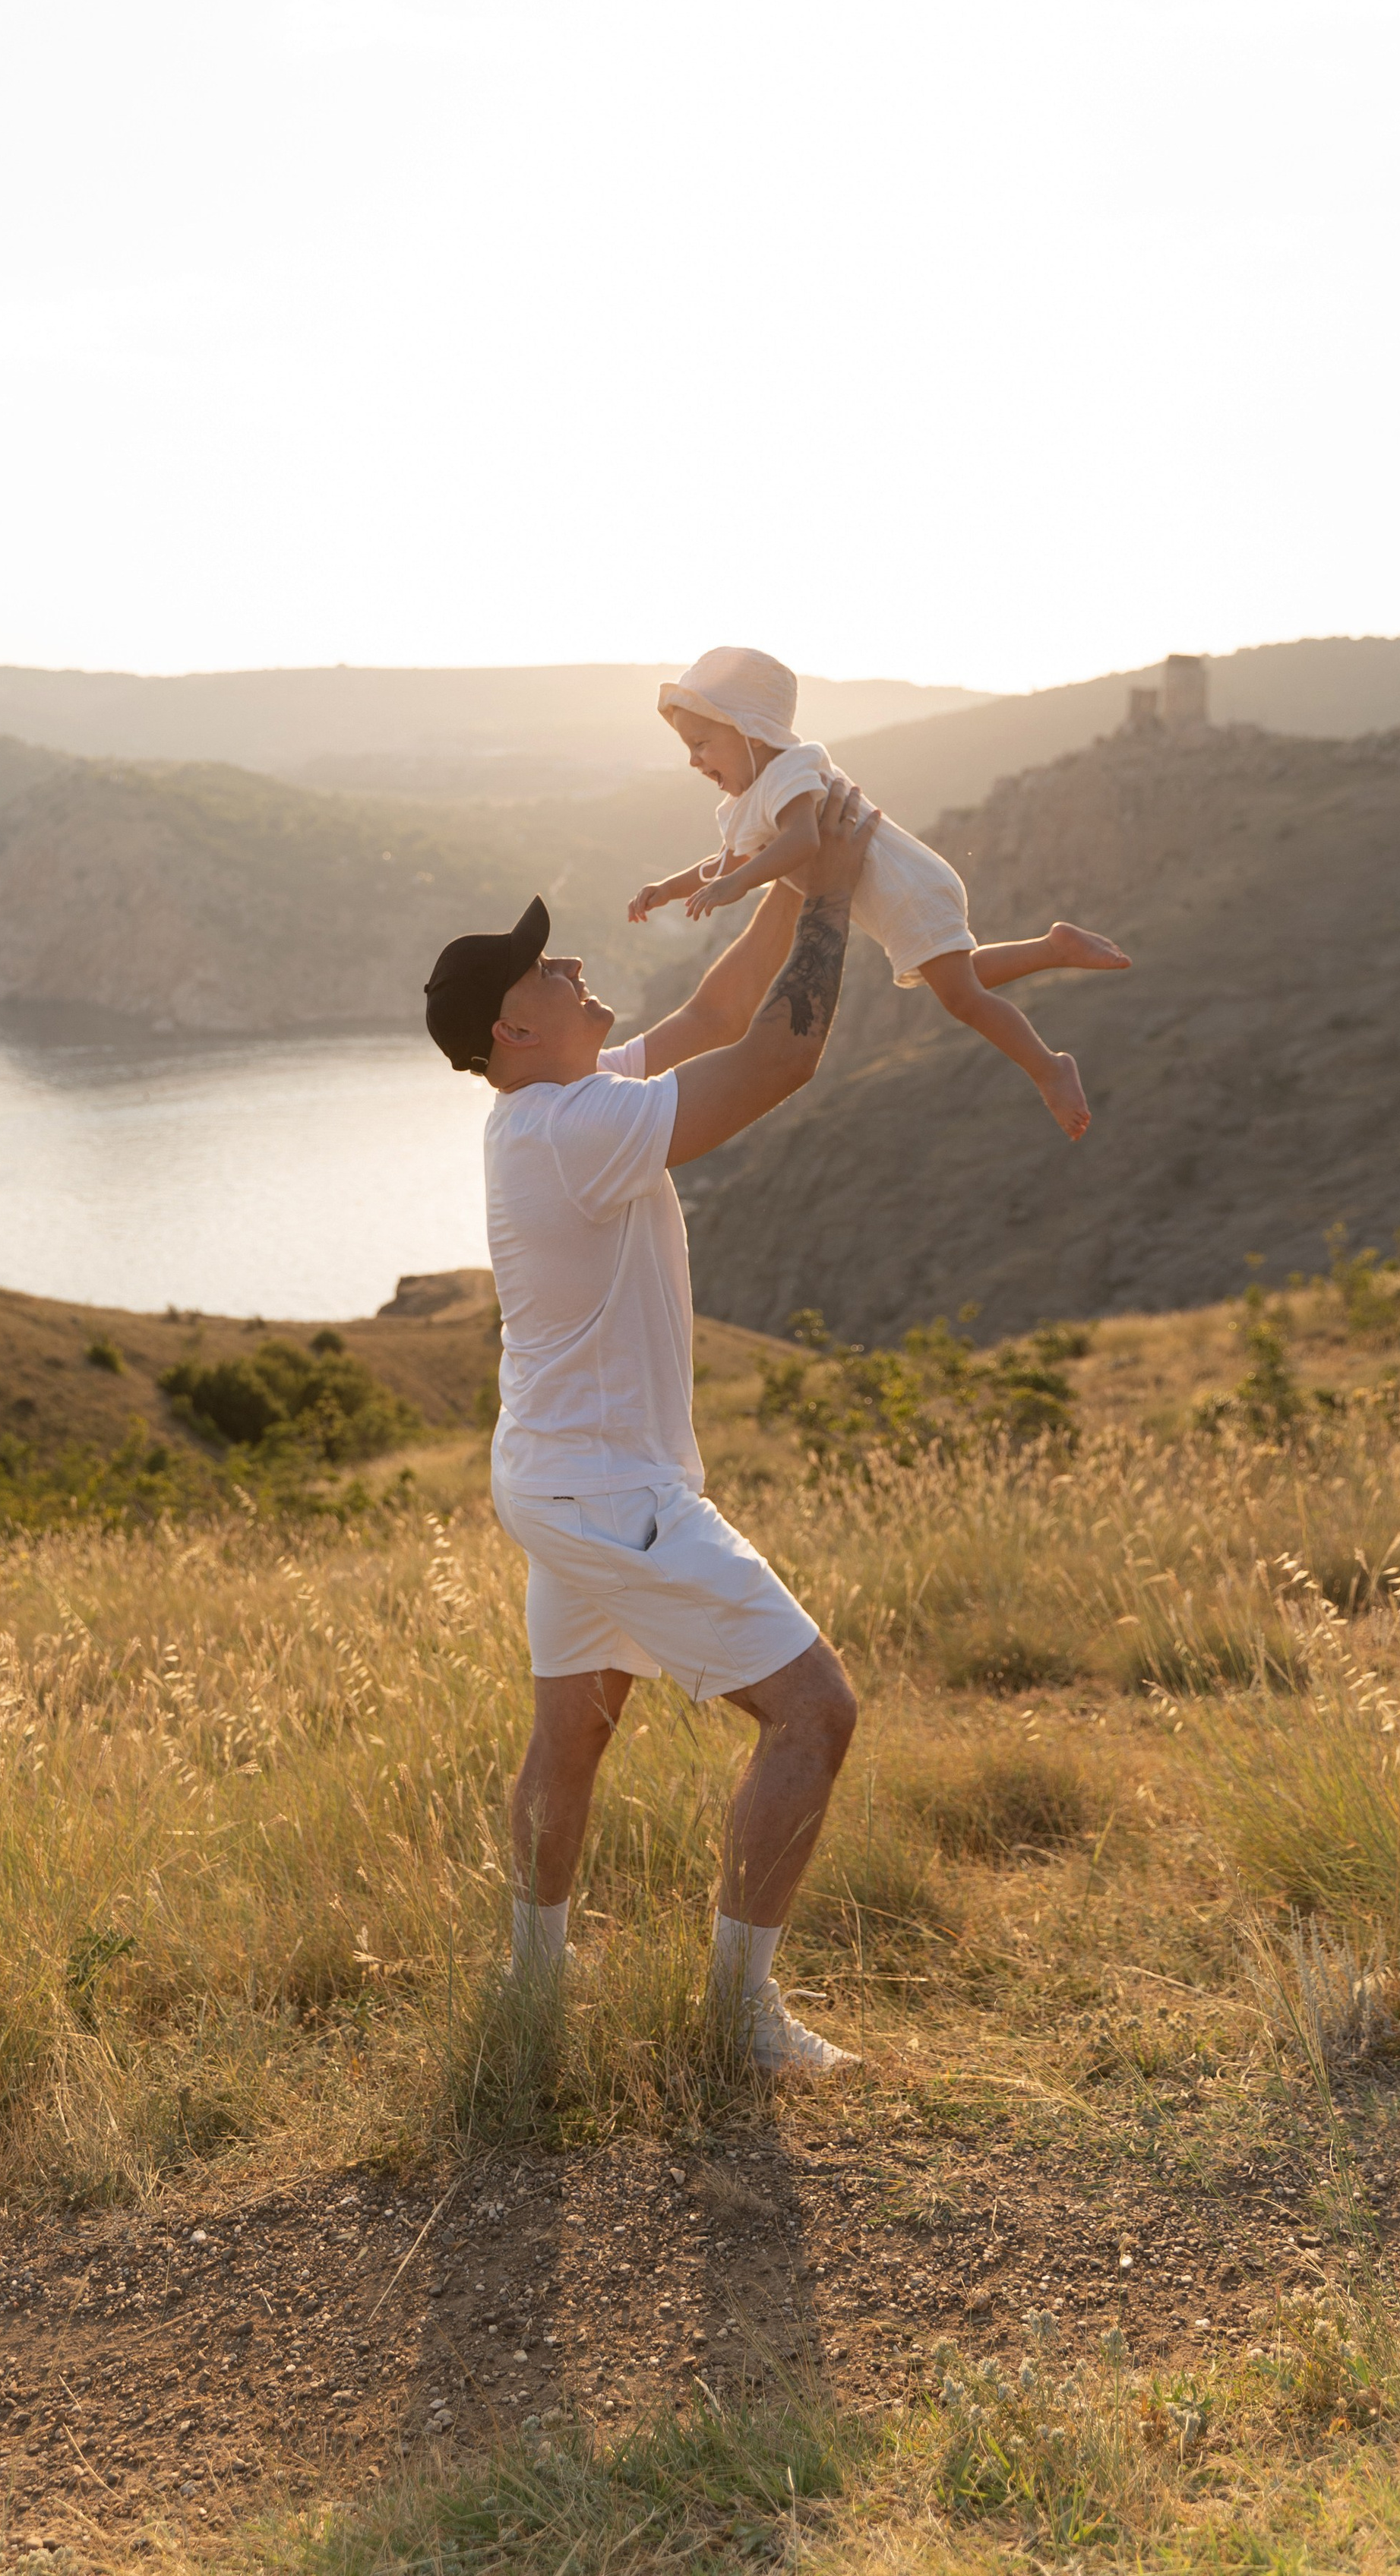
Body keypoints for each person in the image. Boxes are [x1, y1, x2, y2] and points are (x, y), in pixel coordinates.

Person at [422, 777, 879, 2078]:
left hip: (556, 1480)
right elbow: (780, 1055)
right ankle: (741, 2025)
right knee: (815, 1714)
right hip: (608, 1489)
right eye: (541, 968)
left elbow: (720, 1010)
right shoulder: (570, 1128)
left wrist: (791, 863)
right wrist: (837, 897)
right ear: (515, 1031)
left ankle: (533, 1989)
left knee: (571, 1734)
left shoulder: (562, 1099)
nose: (567, 963)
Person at [627, 645, 1129, 1141]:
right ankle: (1053, 948)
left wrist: (737, 884)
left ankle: (1048, 1067)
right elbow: (726, 859)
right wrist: (668, 888)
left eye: (701, 744)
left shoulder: (791, 771)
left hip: (907, 889)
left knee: (962, 998)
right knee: (954, 979)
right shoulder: (751, 799)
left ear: (750, 732)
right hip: (901, 896)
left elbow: (804, 840)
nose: (693, 760)